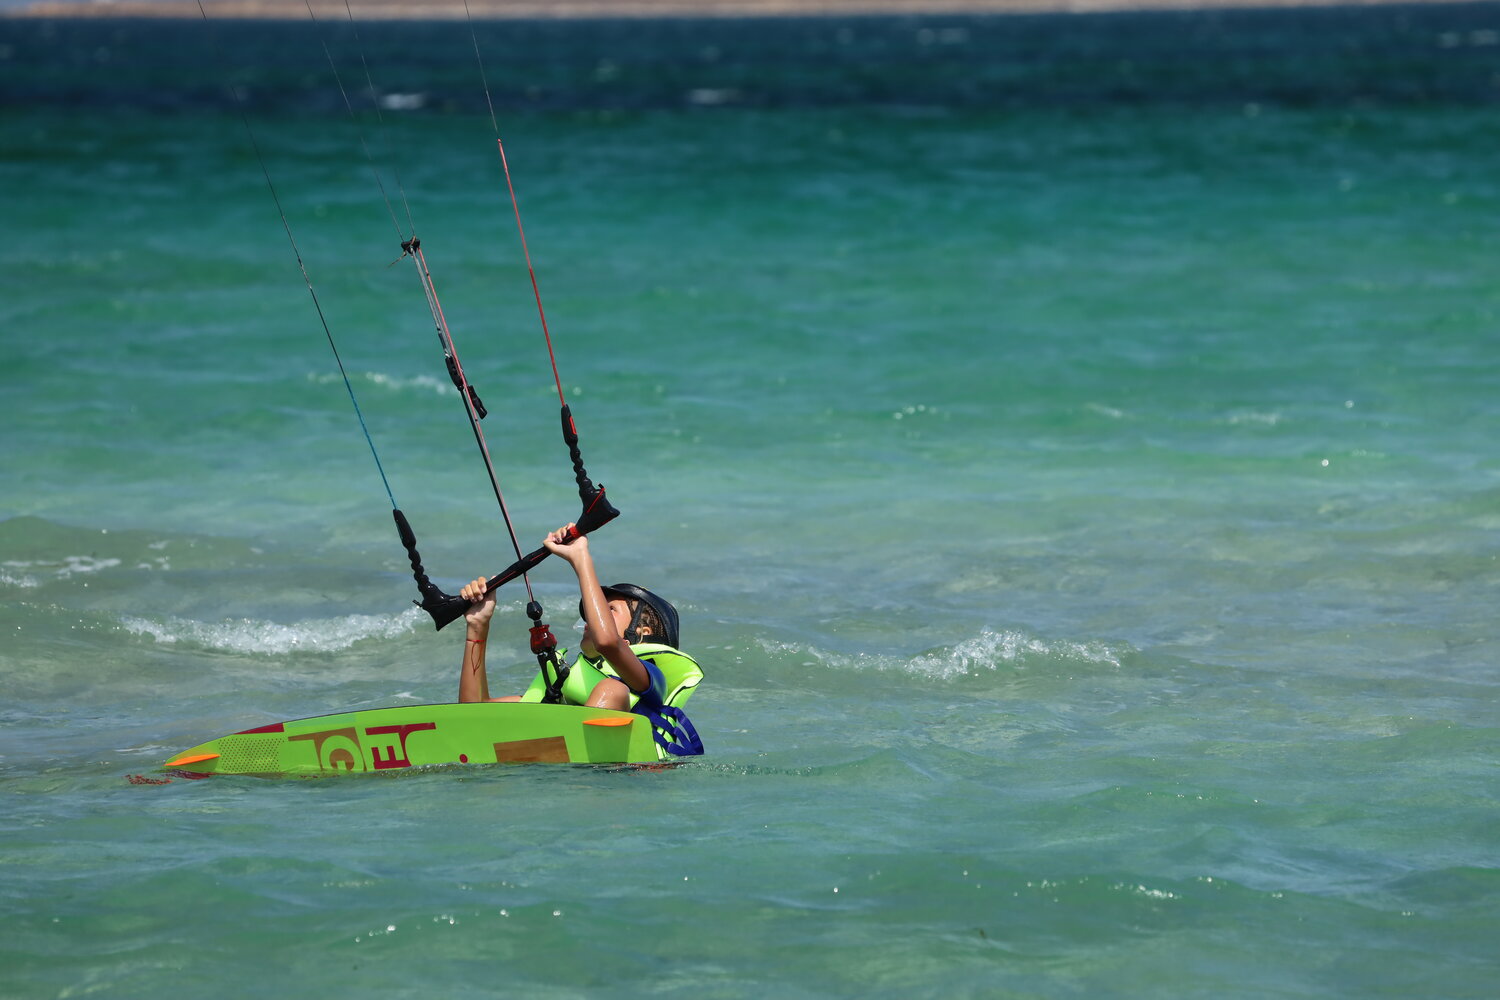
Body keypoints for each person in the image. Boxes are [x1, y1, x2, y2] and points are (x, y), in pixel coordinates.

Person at [456, 523, 704, 755]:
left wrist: (580, 558)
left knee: (612, 689)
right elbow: (472, 714)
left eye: (609, 610)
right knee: (532, 708)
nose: (591, 618)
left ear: (642, 631)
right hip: (560, 768)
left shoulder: (651, 678)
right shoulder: (564, 686)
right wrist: (478, 625)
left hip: (625, 779)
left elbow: (608, 642)